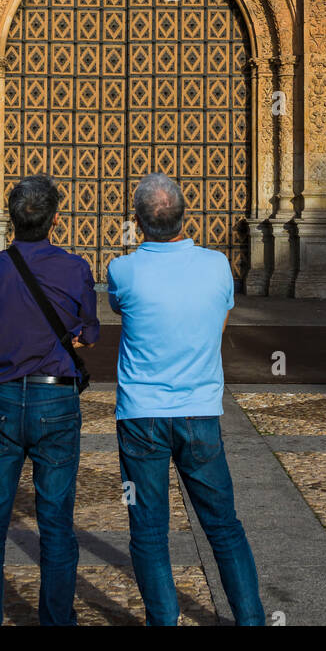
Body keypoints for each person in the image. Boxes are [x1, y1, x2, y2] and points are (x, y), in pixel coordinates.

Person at [107, 172, 265, 626]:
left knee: (149, 531)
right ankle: (251, 620)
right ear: (186, 216)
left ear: (136, 223)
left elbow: (120, 307)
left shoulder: (122, 270)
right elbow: (219, 325)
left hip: (141, 418)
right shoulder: (218, 266)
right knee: (224, 526)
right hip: (200, 416)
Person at [0, 175, 99, 627]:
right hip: (56, 400)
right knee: (56, 521)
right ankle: (57, 621)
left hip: (1, 398)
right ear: (56, 219)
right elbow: (90, 332)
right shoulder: (76, 268)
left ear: (11, 217)